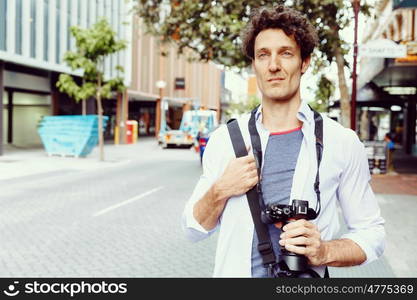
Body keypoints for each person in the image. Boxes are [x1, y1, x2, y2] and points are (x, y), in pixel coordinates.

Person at [182, 5, 385, 277]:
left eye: (285, 53)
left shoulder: (342, 142)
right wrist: (220, 189)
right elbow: (193, 229)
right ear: (254, 64)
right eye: (263, 55)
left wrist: (324, 251)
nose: (273, 65)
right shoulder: (225, 140)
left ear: (305, 62)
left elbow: (372, 234)